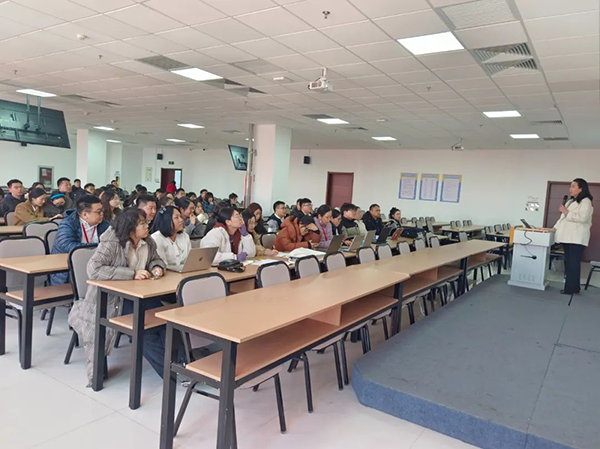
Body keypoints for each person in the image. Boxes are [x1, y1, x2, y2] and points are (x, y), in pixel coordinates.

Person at [68, 208, 167, 385]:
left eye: (146, 222)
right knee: (145, 328)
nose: (147, 225)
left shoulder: (148, 241)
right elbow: (94, 269)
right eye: (142, 223)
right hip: (115, 298)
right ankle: (169, 373)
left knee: (166, 320)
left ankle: (181, 363)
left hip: (141, 293)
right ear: (130, 228)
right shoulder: (112, 242)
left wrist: (156, 267)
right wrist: (131, 274)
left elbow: (155, 259)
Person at [51, 195, 110, 285]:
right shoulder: (68, 224)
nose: (102, 214)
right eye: (98, 212)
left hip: (95, 265)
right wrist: (97, 248)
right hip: (68, 272)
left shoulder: (104, 224)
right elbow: (66, 245)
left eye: (102, 211)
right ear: (85, 214)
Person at [553, 178, 594, 295]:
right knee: (569, 262)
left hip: (576, 238)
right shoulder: (570, 201)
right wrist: (554, 229)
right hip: (567, 237)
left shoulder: (586, 202)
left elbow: (582, 218)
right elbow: (562, 219)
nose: (570, 189)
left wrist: (566, 212)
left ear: (581, 189)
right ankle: (573, 287)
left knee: (573, 263)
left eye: (573, 186)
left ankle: (571, 288)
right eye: (570, 186)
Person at [151, 205, 191, 270]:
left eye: (180, 217)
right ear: (166, 220)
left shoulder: (185, 236)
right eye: (176, 217)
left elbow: (190, 260)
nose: (181, 220)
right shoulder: (156, 238)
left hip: (185, 271)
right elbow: (162, 265)